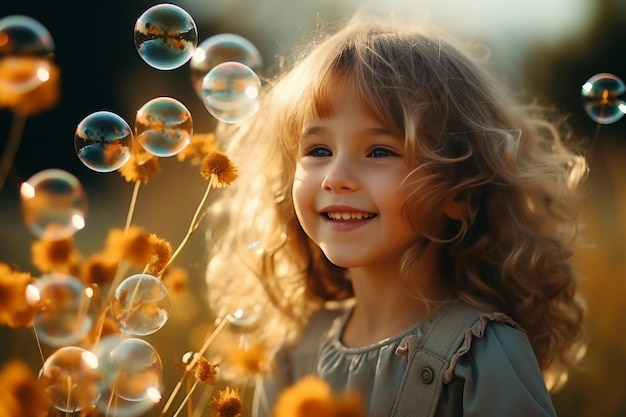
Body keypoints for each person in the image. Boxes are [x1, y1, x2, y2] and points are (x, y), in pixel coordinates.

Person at [205, 14, 588, 417]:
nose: (336, 178)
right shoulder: (292, 354)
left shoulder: (483, 357)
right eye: (319, 151)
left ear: (459, 190)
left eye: (379, 151)